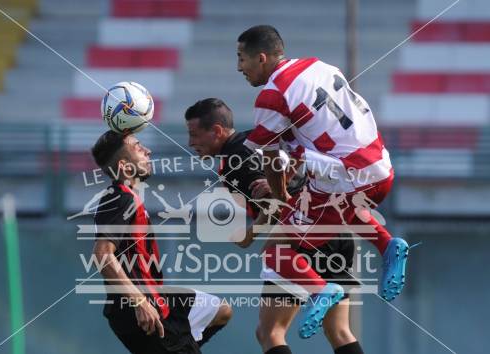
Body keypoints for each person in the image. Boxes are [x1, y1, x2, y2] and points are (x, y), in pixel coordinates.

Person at [236, 24, 411, 352]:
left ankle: (319, 290)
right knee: (339, 211)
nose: (239, 68)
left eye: (242, 58)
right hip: (379, 168)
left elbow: (272, 157)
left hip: (345, 176)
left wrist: (280, 195)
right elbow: (306, 138)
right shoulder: (319, 66)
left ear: (261, 58)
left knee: (274, 250)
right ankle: (387, 245)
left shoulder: (273, 95)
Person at [184, 98, 363, 354]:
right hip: (334, 227)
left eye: (194, 134)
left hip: (300, 242)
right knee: (339, 331)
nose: (191, 143)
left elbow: (275, 200)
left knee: (270, 332)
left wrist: (250, 235)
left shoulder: (235, 160)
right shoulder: (257, 139)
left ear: (217, 131)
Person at [91, 130, 232, 354]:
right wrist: (139, 302)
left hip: (157, 298)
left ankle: (182, 343)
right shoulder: (120, 197)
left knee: (220, 310)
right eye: (138, 147)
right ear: (125, 166)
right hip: (138, 308)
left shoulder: (128, 197)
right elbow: (102, 256)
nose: (148, 151)